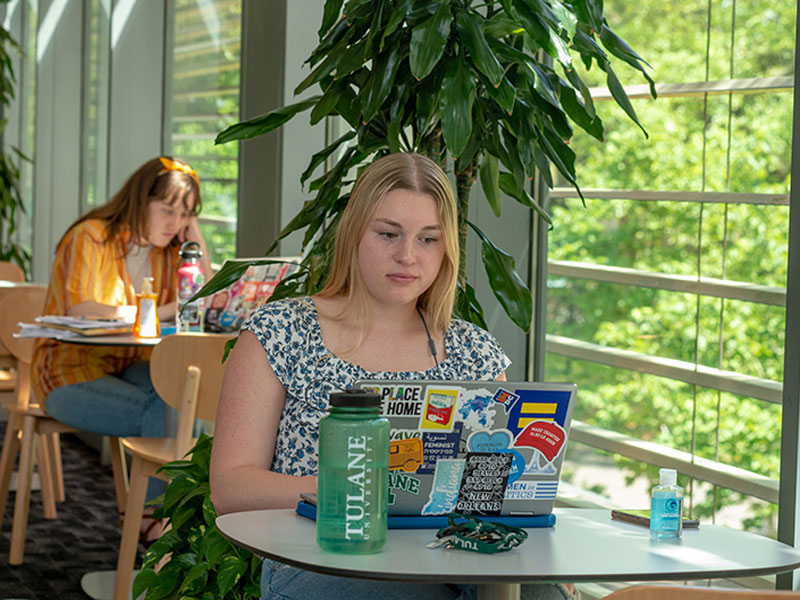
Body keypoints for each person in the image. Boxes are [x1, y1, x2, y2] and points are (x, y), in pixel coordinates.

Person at [209, 153, 574, 600]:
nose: (407, 256)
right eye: (388, 234)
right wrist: (344, 490)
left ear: (446, 250)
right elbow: (230, 488)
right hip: (325, 559)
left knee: (541, 593)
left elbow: (498, 495)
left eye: (428, 239)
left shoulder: (474, 350)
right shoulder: (281, 331)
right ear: (354, 235)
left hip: (453, 556)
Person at [31, 156, 212, 538]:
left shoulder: (169, 252)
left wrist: (193, 230)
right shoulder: (91, 237)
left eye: (184, 215)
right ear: (138, 200)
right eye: (167, 211)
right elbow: (83, 307)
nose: (174, 224)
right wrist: (166, 308)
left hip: (128, 365)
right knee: (163, 412)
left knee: (179, 392)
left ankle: (154, 520)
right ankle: (154, 523)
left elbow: (205, 293)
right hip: (68, 372)